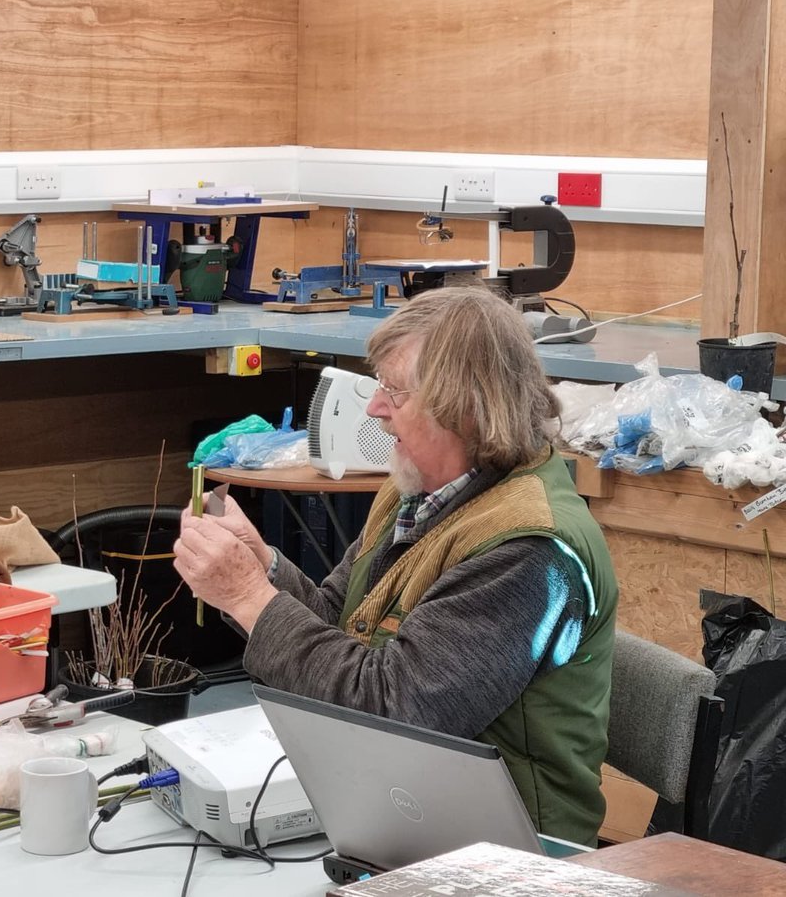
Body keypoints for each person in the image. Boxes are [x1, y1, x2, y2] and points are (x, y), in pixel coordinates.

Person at [173, 286, 618, 846]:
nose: (375, 409)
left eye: (396, 392)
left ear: (468, 407)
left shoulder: (529, 549)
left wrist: (245, 596)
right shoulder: (421, 486)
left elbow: (392, 712)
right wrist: (262, 567)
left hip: (510, 849)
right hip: (407, 806)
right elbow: (339, 620)